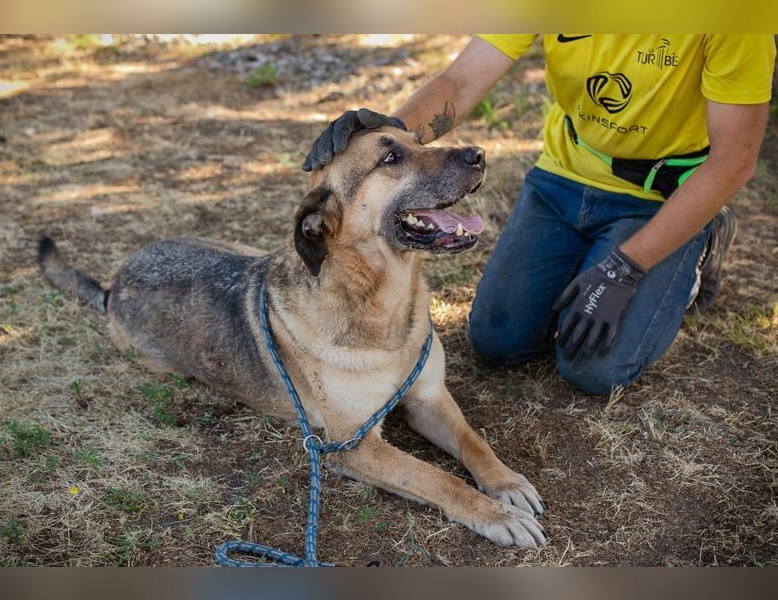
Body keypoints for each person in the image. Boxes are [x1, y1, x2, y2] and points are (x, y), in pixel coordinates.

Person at [302, 35, 775, 395]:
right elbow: (461, 81)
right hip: (563, 175)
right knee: (498, 341)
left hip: (661, 194)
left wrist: (626, 267)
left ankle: (700, 238)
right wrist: (387, 136)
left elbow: (734, 160)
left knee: (593, 369)